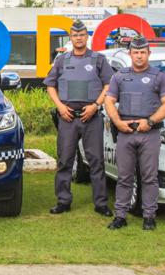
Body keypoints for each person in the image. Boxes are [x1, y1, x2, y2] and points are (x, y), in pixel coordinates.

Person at [104, 36, 165, 231]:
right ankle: (120, 216)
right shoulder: (119, 76)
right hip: (126, 132)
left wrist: (151, 121)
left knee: (149, 177)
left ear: (148, 54)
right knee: (124, 177)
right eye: (135, 52)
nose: (139, 56)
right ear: (130, 54)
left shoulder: (159, 76)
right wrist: (117, 122)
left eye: (142, 52)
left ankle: (149, 216)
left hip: (149, 132)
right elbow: (109, 101)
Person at [43, 20, 114, 217]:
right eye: (75, 35)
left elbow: (109, 85)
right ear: (71, 38)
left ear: (86, 36)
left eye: (82, 34)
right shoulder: (62, 60)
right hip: (67, 118)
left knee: (96, 161)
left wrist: (95, 105)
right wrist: (60, 107)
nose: (78, 38)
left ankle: (100, 204)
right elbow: (50, 85)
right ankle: (63, 201)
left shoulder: (98, 59)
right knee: (65, 161)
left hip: (91, 117)